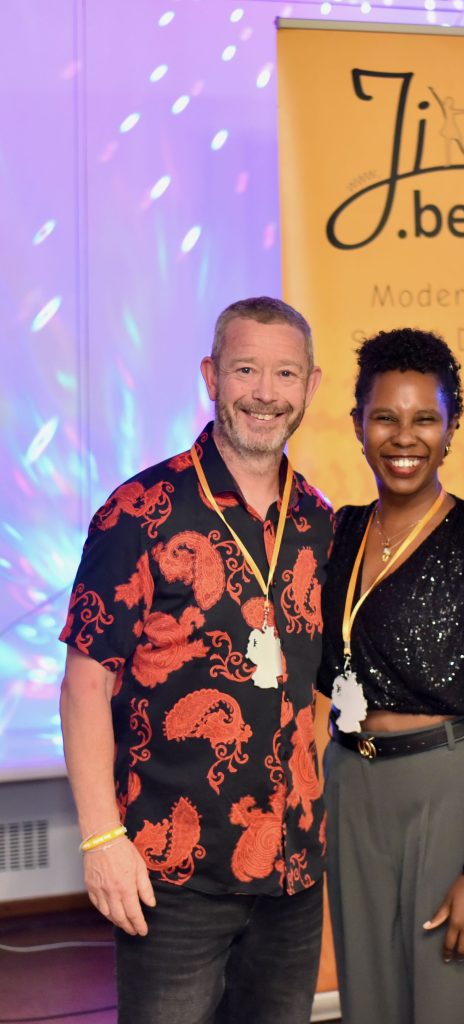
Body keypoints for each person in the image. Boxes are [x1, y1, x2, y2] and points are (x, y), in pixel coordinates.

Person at [59, 297, 334, 1024]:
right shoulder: (139, 510)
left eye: (285, 374)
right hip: (170, 876)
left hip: (294, 878)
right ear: (212, 376)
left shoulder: (318, 519)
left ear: (311, 385)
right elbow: (85, 686)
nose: (265, 393)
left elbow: (315, 685)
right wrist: (101, 838)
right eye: (246, 370)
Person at [318, 328, 464, 1024]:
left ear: (450, 429)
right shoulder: (338, 534)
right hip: (353, 787)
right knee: (370, 1005)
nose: (403, 437)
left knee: (453, 1005)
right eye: (385, 417)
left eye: (425, 419)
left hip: (451, 791)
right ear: (357, 424)